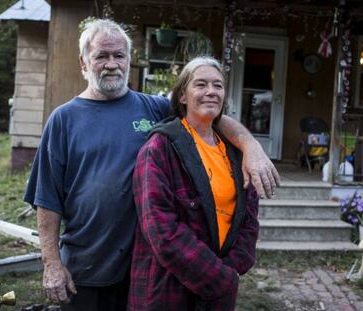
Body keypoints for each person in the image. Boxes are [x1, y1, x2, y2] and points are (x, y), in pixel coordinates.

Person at [24, 19, 277, 310]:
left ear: (129, 60)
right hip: (89, 266)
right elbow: (47, 200)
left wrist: (250, 145)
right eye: (101, 56)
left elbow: (207, 114)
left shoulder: (153, 108)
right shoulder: (63, 120)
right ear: (84, 62)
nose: (111, 64)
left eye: (119, 55)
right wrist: (52, 264)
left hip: (144, 267)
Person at [128, 57, 259, 311]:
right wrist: (220, 277)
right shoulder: (159, 149)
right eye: (201, 85)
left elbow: (249, 218)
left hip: (218, 293)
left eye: (218, 86)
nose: (211, 92)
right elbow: (161, 230)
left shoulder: (236, 152)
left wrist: (229, 271)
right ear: (183, 97)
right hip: (167, 287)